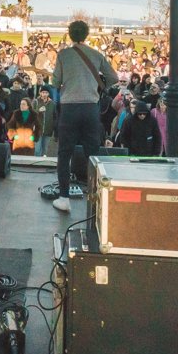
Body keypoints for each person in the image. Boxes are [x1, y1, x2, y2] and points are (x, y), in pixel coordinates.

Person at [51, 20, 116, 213]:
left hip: (69, 108)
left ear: (70, 34)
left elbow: (55, 82)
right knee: (92, 154)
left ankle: (64, 198)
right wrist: (98, 87)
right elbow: (113, 78)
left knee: (64, 154)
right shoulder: (96, 54)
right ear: (86, 34)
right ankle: (95, 197)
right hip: (90, 108)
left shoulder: (63, 55)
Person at [33, 87, 57, 157]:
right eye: (43, 92)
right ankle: (36, 163)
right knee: (37, 150)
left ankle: (42, 163)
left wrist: (53, 127)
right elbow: (31, 114)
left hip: (48, 129)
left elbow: (55, 117)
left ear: (48, 94)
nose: (44, 94)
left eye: (46, 93)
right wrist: (38, 111)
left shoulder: (52, 104)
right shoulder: (35, 102)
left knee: (44, 151)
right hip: (38, 130)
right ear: (40, 93)